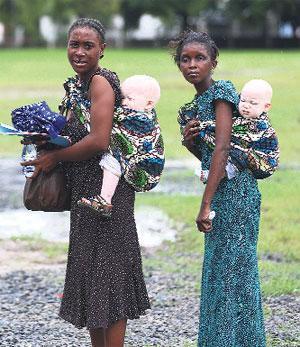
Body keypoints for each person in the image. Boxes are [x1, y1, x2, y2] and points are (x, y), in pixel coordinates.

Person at [22, 18, 150, 347]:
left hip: (107, 195)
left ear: (102, 50)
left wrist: (56, 158)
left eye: (88, 46)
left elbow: (99, 140)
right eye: (74, 44)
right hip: (84, 192)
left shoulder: (100, 83)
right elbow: (71, 133)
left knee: (111, 278)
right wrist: (44, 142)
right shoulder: (75, 86)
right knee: (92, 276)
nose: (79, 51)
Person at [169, 30, 266, 346]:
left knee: (234, 275)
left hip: (236, 195)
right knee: (219, 274)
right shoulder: (195, 105)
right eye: (186, 59)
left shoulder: (221, 94)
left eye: (200, 58)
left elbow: (223, 150)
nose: (192, 65)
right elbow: (210, 154)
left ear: (214, 62)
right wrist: (190, 143)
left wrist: (204, 205)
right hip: (221, 190)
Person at [77, 74, 164, 217]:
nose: (123, 102)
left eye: (129, 99)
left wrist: (82, 104)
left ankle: (104, 200)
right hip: (144, 167)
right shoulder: (146, 112)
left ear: (149, 104)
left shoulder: (136, 118)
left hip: (144, 172)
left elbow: (101, 116)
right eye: (123, 97)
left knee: (111, 160)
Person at [178, 79, 279, 182]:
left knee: (238, 152)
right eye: (243, 100)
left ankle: (219, 173)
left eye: (253, 103)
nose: (246, 105)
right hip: (249, 155)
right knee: (230, 146)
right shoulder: (240, 112)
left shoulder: (259, 124)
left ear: (266, 107)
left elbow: (227, 127)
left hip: (264, 163)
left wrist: (203, 125)